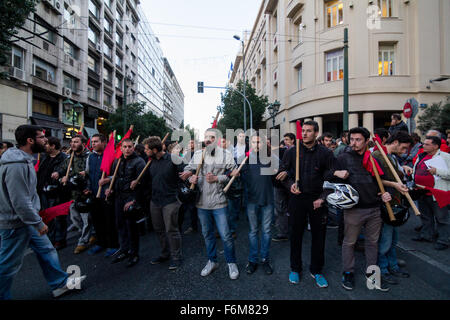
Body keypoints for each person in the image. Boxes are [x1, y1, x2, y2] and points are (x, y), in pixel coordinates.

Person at [0, 125, 85, 299]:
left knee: (47, 250)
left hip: (27, 220)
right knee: (8, 265)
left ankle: (60, 283)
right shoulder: (16, 165)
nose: (45, 140)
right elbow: (20, 201)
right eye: (41, 137)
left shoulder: (25, 160)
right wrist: (37, 222)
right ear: (30, 140)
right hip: (16, 223)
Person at [332, 127, 392, 291]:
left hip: (374, 209)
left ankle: (372, 275)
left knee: (372, 243)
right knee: (349, 242)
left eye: (358, 140)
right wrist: (337, 172)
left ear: (367, 142)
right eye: (351, 139)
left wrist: (385, 194)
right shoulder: (343, 158)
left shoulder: (374, 160)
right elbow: (328, 174)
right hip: (353, 209)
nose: (354, 143)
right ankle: (348, 272)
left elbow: (383, 181)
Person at [282, 121, 335, 288]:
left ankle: (317, 270)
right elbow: (282, 173)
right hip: (297, 199)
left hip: (317, 200)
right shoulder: (292, 151)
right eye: (303, 131)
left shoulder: (326, 153)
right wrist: (290, 184)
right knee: (295, 235)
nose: (304, 134)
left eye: (308, 131)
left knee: (319, 237)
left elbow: (332, 179)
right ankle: (295, 268)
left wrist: (323, 198)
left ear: (316, 133)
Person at [180, 128, 239, 280]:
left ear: (217, 139)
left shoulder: (226, 154)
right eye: (206, 137)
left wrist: (217, 178)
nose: (208, 140)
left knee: (226, 235)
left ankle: (231, 263)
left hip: (219, 201)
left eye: (211, 137)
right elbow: (188, 169)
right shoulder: (198, 154)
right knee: (207, 234)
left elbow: (234, 173)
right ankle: (212, 261)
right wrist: (190, 177)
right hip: (201, 202)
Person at [372, 132, 413, 284]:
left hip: (395, 202)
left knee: (393, 238)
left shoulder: (392, 157)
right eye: (403, 148)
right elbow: (375, 179)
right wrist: (394, 184)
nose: (405, 151)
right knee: (385, 239)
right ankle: (382, 269)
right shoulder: (377, 155)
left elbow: (395, 175)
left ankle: (393, 265)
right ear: (395, 142)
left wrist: (403, 169)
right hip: (384, 203)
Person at [139, 136, 184, 270]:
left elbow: (184, 175)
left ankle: (176, 257)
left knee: (171, 230)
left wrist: (188, 176)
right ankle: (165, 253)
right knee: (159, 230)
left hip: (170, 200)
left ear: (154, 149)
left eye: (147, 149)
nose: (145, 151)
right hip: (155, 201)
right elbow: (147, 181)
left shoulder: (173, 159)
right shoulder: (150, 162)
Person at [240, 133, 278, 275]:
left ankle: (265, 259)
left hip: (267, 200)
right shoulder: (246, 159)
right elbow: (235, 173)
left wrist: (280, 171)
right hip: (251, 201)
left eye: (259, 142)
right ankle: (253, 260)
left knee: (267, 232)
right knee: (253, 232)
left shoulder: (271, 158)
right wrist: (234, 173)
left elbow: (281, 170)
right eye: (254, 142)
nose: (256, 145)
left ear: (264, 144)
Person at [106, 139, 146, 267]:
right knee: (120, 224)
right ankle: (124, 249)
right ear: (121, 149)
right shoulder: (117, 161)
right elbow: (115, 177)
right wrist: (110, 188)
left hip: (131, 198)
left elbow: (143, 183)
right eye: (125, 147)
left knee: (131, 227)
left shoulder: (139, 162)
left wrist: (134, 200)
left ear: (133, 148)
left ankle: (134, 253)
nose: (127, 149)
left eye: (130, 146)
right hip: (119, 197)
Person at [54, 134, 92, 254]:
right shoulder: (70, 157)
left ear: (83, 143)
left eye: (76, 142)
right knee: (74, 218)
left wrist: (86, 174)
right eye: (71, 142)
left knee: (86, 219)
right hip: (73, 193)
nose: (72, 144)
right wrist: (59, 175)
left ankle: (83, 241)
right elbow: (63, 169)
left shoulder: (89, 157)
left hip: (85, 192)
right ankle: (89, 233)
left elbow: (94, 173)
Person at [412, 136, 450, 250]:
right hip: (422, 191)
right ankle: (426, 235)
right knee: (426, 216)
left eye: (427, 144)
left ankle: (443, 240)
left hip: (438, 193)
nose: (424, 146)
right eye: (424, 144)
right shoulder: (421, 155)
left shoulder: (445, 157)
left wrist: (437, 171)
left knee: (441, 218)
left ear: (436, 146)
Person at [85, 134, 119, 257]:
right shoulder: (90, 157)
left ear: (104, 142)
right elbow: (88, 174)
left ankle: (113, 245)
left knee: (109, 220)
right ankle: (101, 243)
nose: (93, 144)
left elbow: (118, 174)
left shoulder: (112, 157)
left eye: (96, 141)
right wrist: (88, 188)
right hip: (94, 194)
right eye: (92, 142)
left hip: (107, 194)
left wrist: (108, 180)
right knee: (97, 220)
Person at [37, 136, 69, 249]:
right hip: (43, 191)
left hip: (57, 192)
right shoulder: (44, 157)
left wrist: (59, 174)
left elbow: (65, 171)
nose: (45, 146)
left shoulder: (64, 158)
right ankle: (50, 239)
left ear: (53, 146)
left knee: (58, 217)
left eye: (47, 144)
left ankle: (60, 240)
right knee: (47, 217)